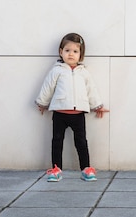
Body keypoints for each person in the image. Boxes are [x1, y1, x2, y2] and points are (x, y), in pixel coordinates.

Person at [35, 32, 109, 182]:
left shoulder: (84, 73)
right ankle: (56, 169)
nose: (70, 54)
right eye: (67, 50)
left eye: (75, 51)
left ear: (80, 55)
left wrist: (97, 105)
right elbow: (47, 87)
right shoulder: (57, 70)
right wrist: (42, 102)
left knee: (81, 142)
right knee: (57, 141)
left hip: (78, 115)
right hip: (60, 113)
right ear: (60, 52)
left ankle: (86, 168)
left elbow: (91, 90)